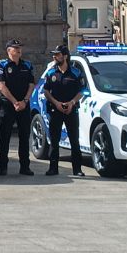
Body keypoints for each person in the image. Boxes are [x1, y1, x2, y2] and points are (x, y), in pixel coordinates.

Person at [42, 44, 85, 177]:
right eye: (54, 54)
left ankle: (77, 169)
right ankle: (53, 168)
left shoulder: (76, 72)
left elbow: (82, 91)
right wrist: (56, 103)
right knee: (54, 141)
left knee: (74, 140)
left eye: (57, 54)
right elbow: (46, 90)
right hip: (55, 109)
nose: (54, 56)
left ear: (65, 56)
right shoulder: (51, 72)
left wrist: (72, 103)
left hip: (71, 110)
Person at [0, 39, 35, 176]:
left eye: (20, 47)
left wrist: (24, 101)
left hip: (23, 104)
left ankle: (25, 166)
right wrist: (14, 102)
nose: (18, 50)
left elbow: (31, 84)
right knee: (5, 136)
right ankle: (3, 166)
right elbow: (1, 86)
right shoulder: (3, 64)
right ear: (8, 50)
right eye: (15, 48)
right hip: (8, 105)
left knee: (24, 136)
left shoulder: (27, 65)